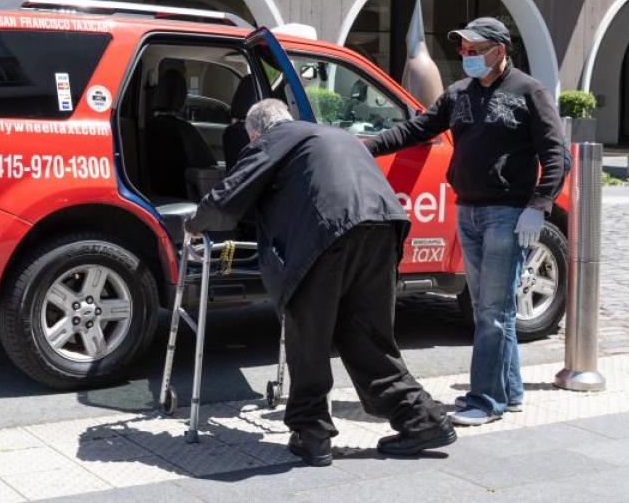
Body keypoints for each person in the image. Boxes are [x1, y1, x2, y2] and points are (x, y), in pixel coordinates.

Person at [185, 98, 456, 467]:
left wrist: (192, 224)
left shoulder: (272, 140)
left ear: (256, 131)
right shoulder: (331, 134)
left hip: (327, 232)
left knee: (308, 335)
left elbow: (225, 201)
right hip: (383, 226)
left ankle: (311, 434)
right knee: (366, 335)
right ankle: (422, 420)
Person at [364, 17, 567, 426]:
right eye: (463, 48)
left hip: (507, 214)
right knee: (490, 308)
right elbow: (418, 128)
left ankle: (484, 402)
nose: (466, 55)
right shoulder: (459, 94)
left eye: (475, 48)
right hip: (467, 210)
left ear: (499, 51)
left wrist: (539, 204)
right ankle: (509, 392)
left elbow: (555, 153)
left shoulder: (530, 92)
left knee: (491, 311)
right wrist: (364, 147)